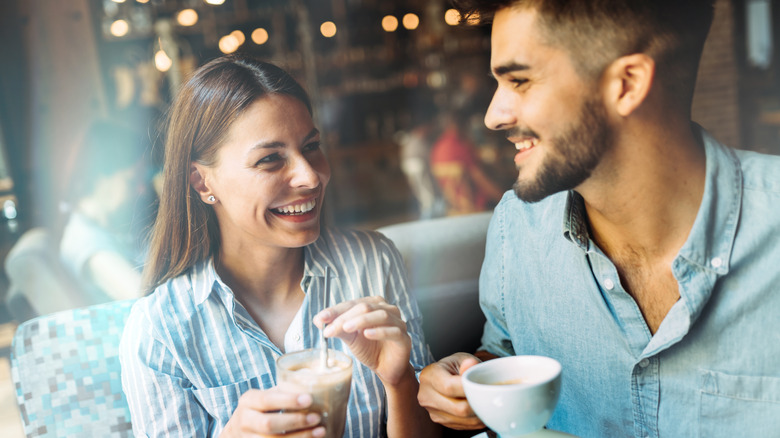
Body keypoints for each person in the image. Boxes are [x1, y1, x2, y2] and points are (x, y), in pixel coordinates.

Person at [417, 1, 780, 437]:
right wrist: (468, 382)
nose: (494, 116)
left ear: (627, 84)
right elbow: (505, 355)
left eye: (520, 80)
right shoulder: (517, 229)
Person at [119, 55, 439, 438]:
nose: (310, 176)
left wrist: (400, 381)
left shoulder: (371, 262)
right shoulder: (160, 330)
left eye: (312, 146)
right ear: (202, 182)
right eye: (270, 159)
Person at [59, 119, 157, 302]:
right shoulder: (88, 243)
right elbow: (147, 300)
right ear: (99, 175)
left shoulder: (101, 226)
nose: (142, 190)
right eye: (131, 181)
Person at [429, 109, 504, 216]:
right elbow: (481, 179)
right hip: (475, 205)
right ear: (461, 124)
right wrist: (503, 197)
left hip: (453, 206)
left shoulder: (437, 147)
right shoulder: (459, 145)